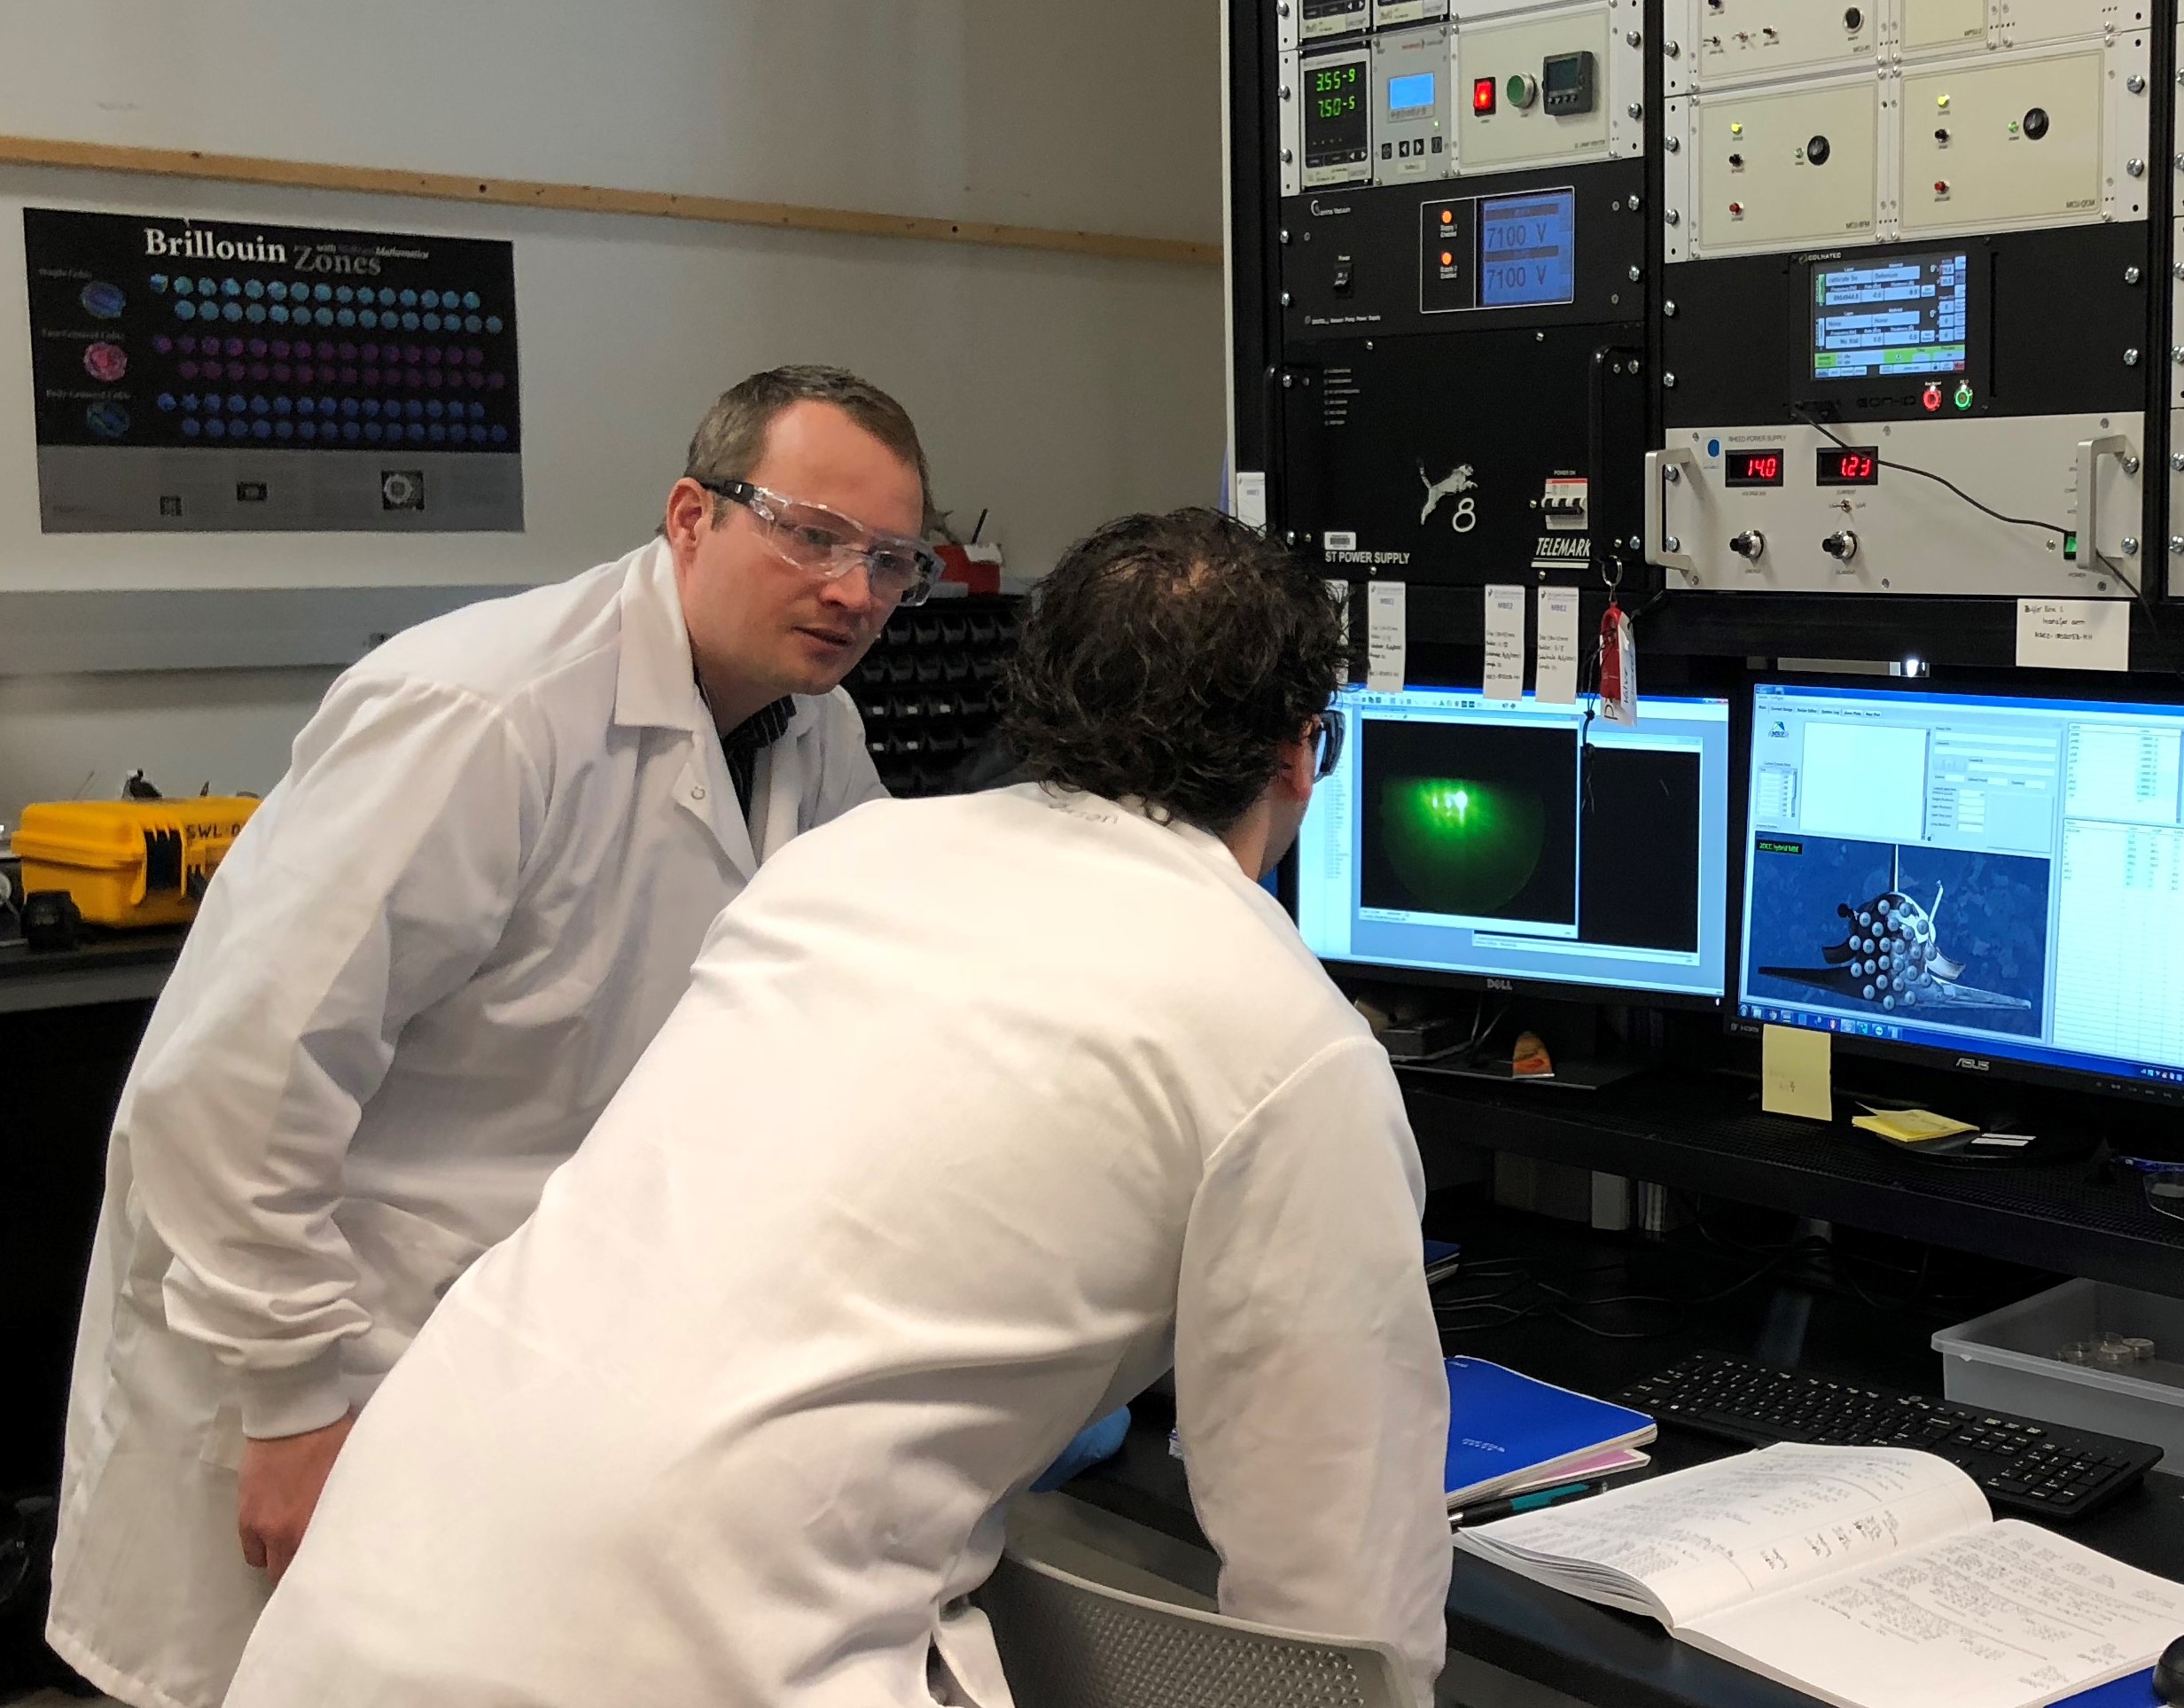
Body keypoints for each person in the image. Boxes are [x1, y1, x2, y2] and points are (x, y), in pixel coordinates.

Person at [224, 509, 1453, 1708]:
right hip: (693, 1654)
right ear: (1302, 752)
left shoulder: (840, 865)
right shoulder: (1287, 1039)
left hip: (368, 1591)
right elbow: (1335, 1600)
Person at [52, 367, 937, 1708]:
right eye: (811, 535)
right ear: (692, 515)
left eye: (889, 561)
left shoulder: (816, 735)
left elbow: (836, 994)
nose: (852, 592)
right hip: (322, 1346)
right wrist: (291, 1405)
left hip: (514, 1353)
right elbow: (236, 1079)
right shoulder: (483, 712)